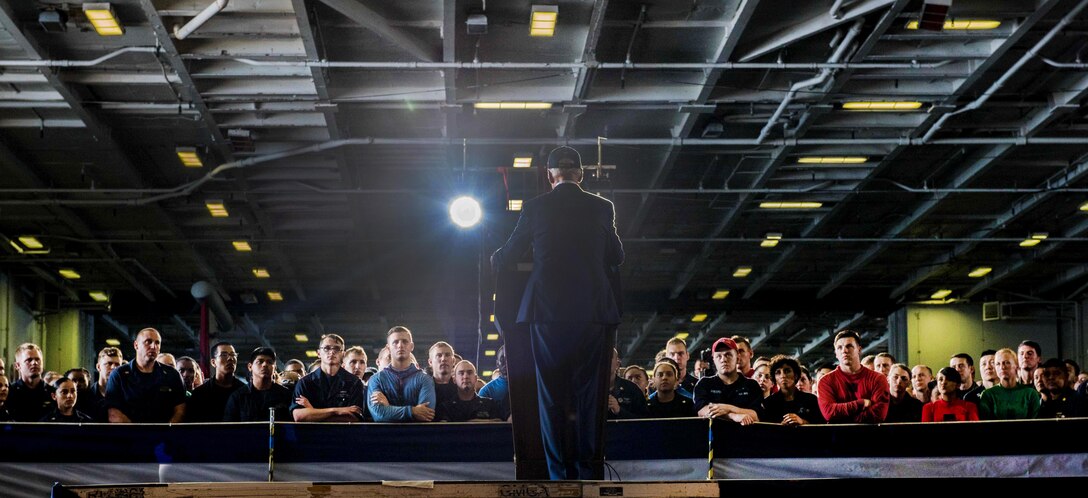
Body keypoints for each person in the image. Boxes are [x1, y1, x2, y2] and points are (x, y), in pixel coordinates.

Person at [490, 145, 623, 481]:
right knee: (587, 398)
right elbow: (617, 256)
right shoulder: (602, 207)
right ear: (580, 174)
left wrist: (498, 257)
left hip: (546, 314)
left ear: (550, 176)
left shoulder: (535, 207)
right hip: (592, 314)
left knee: (550, 397)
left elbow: (507, 257)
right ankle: (586, 474)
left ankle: (557, 476)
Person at [105, 328, 187, 423]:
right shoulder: (119, 375)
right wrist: (138, 435)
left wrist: (167, 433)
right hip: (129, 436)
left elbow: (180, 410)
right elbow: (113, 414)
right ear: (136, 345)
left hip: (165, 436)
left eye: (157, 343)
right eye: (148, 342)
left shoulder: (172, 375)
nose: (153, 346)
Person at [817, 330, 889, 423]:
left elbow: (878, 415)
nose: (844, 351)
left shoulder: (877, 379)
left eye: (849, 346)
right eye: (839, 347)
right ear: (836, 353)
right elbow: (829, 413)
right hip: (839, 437)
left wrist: (845, 420)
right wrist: (861, 403)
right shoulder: (826, 381)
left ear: (859, 349)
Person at [291, 334, 366, 422]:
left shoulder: (354, 382)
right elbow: (299, 416)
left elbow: (354, 418)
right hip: (312, 434)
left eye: (337, 349)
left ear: (343, 354)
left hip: (343, 434)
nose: (332, 352)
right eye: (327, 348)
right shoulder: (305, 382)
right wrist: (338, 411)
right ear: (319, 353)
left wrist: (313, 412)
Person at [367, 326, 436, 422]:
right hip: (385, 436)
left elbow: (426, 415)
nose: (400, 345)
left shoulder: (425, 379)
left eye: (405, 341)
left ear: (411, 346)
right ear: (388, 348)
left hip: (417, 436)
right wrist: (413, 411)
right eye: (395, 342)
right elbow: (379, 415)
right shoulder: (376, 379)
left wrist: (389, 408)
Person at [693, 338, 762, 425]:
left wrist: (728, 408)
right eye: (719, 356)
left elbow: (755, 415)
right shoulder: (704, 384)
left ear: (737, 357)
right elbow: (702, 411)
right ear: (713, 359)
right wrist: (733, 416)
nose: (723, 360)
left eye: (728, 355)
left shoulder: (751, 385)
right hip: (715, 436)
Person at [224, 347, 293, 422]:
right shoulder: (238, 397)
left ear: (275, 368)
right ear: (250, 367)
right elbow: (229, 428)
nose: (265, 365)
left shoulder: (286, 395)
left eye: (269, 362)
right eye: (260, 362)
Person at [187, 341, 246, 422]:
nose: (230, 358)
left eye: (233, 355)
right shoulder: (199, 394)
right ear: (213, 362)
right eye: (224, 355)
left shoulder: (245, 392)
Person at [979, 348, 1040, 420]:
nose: (1002, 367)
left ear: (1016, 365)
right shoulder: (988, 395)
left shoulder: (1030, 394)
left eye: (1007, 362)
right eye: (998, 364)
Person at [762, 355, 823, 425]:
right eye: (778, 372)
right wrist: (780, 427)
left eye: (787, 371)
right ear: (774, 378)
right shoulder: (768, 403)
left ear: (796, 375)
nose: (783, 376)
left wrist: (803, 422)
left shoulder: (811, 400)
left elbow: (821, 426)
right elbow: (764, 431)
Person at [437, 360, 502, 421]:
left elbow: (498, 424)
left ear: (476, 378)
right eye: (461, 373)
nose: (465, 376)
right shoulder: (446, 407)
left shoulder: (490, 404)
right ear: (454, 380)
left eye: (469, 373)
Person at [6, 343, 54, 421]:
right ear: (17, 366)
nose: (34, 363)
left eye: (37, 359)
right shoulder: (10, 392)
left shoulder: (52, 393)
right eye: (29, 360)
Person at [76, 346, 123, 422]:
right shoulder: (85, 397)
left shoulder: (127, 395)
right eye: (109, 363)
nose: (114, 368)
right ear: (98, 367)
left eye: (117, 364)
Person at [608, 349, 648, 419]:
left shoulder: (632, 389)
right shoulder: (588, 389)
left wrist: (619, 411)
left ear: (617, 364)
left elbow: (643, 421)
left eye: (608, 357)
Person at [478, 346, 510, 420]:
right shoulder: (487, 390)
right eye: (502, 359)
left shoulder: (527, 385)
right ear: (497, 363)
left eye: (509, 357)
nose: (506, 362)